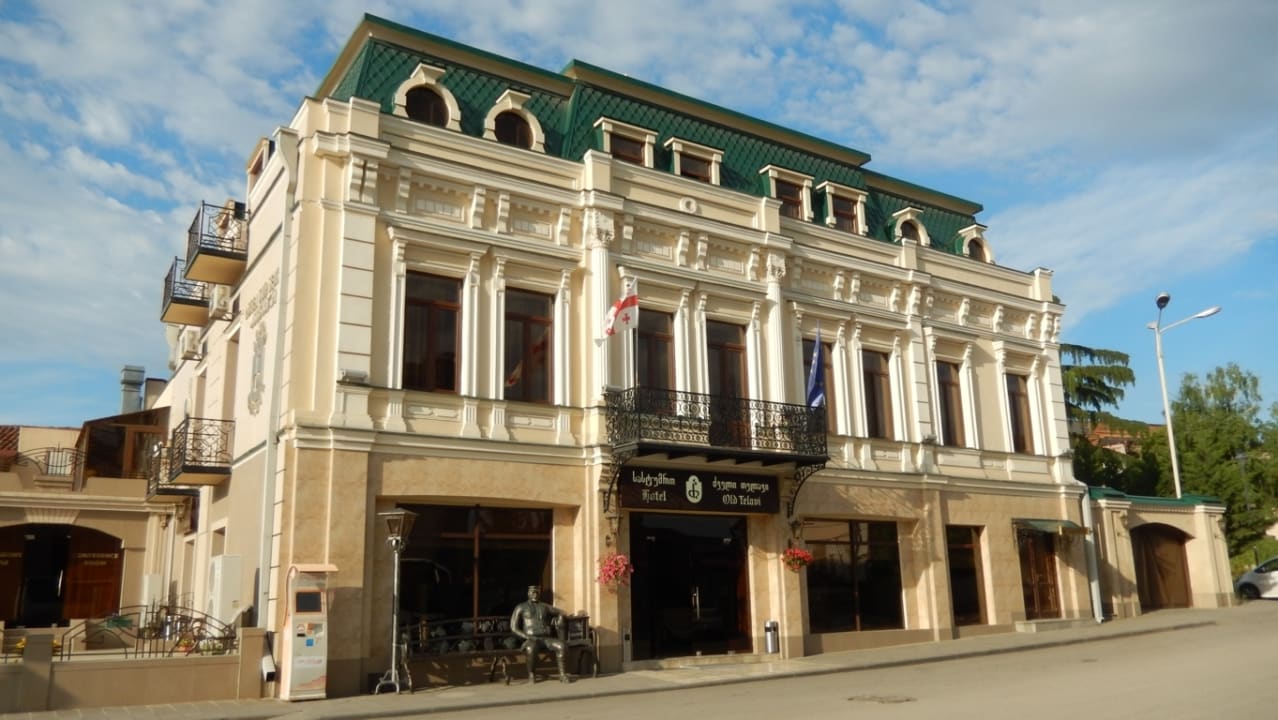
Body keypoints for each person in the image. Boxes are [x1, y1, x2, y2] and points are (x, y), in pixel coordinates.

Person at [509, 585, 568, 683]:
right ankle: (531, 674)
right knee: (531, 648)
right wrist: (526, 636)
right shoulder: (520, 607)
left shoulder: (545, 606)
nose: (535, 595)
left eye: (537, 593)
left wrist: (557, 619)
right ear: (528, 594)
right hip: (530, 639)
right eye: (533, 592)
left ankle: (562, 674)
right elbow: (513, 628)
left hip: (546, 639)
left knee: (561, 645)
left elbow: (562, 612)